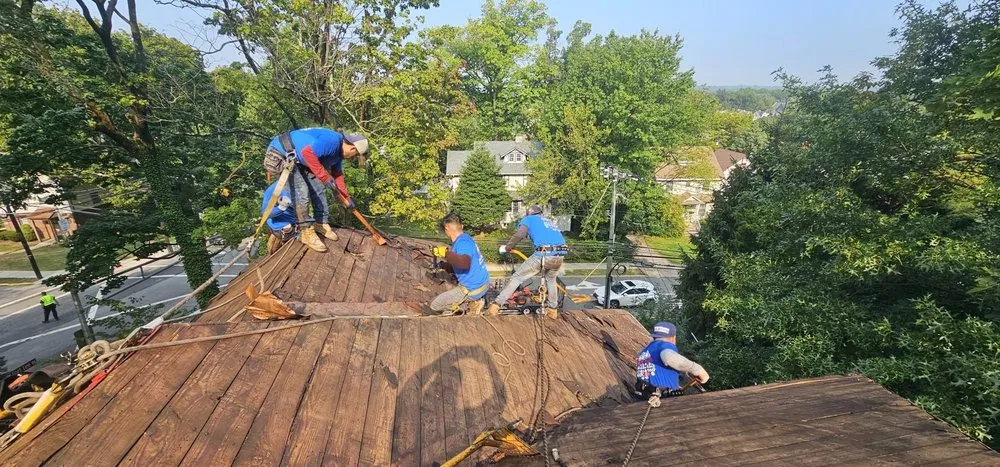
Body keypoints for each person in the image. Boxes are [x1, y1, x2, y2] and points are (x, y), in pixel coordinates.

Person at [264, 128, 369, 252]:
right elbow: (307, 153)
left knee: (318, 186)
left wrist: (346, 198)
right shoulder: (332, 142)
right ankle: (305, 231)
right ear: (353, 148)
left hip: (299, 160)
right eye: (355, 155)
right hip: (279, 155)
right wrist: (324, 177)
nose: (353, 158)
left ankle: (321, 223)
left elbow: (338, 176)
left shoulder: (338, 155)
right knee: (301, 190)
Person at [486, 205, 567, 319]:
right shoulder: (548, 221)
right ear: (540, 213)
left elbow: (520, 234)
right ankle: (553, 310)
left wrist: (508, 247)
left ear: (529, 213)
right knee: (551, 280)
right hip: (559, 255)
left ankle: (495, 306)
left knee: (517, 278)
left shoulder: (529, 219)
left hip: (544, 253)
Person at [429, 212, 490, 316]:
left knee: (436, 305)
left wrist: (445, 253)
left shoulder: (462, 243)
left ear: (447, 228)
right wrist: (445, 265)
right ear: (461, 226)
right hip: (482, 283)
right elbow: (463, 263)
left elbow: (464, 263)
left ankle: (469, 306)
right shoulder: (466, 237)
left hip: (473, 289)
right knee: (447, 306)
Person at [635, 322, 709, 398]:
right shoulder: (665, 345)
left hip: (643, 395)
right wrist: (698, 370)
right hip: (661, 398)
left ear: (654, 337)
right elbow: (668, 357)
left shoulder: (644, 352)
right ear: (673, 338)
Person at [262, 180, 297, 254]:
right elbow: (265, 214)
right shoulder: (274, 190)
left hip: (297, 221)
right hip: (284, 228)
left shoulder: (303, 184)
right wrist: (281, 207)